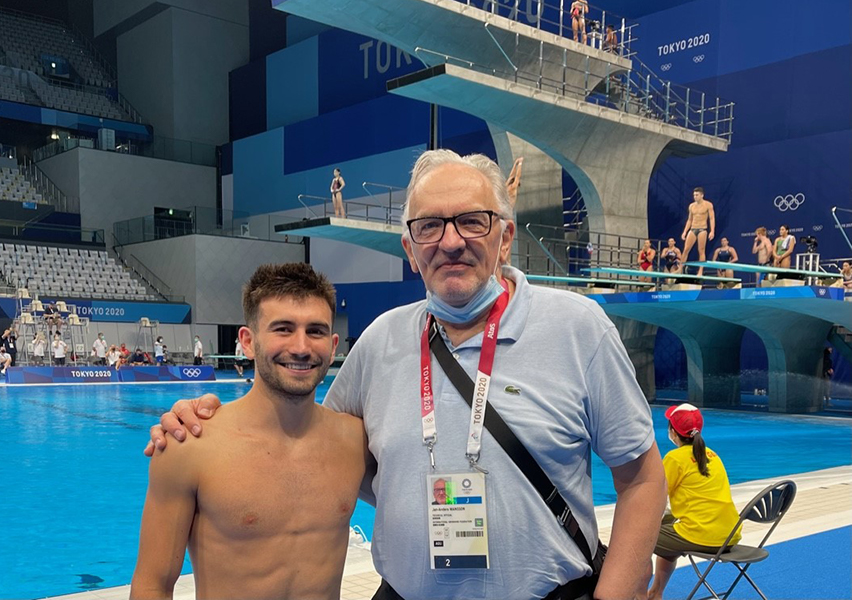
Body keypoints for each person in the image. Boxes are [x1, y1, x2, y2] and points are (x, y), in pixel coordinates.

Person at [147, 150, 667, 600]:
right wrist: (202, 418)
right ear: (410, 251)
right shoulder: (381, 341)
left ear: (505, 237)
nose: (450, 241)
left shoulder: (578, 328)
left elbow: (643, 478)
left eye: (472, 221)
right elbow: (311, 440)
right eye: (429, 227)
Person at [130, 263, 368, 600]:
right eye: (283, 329)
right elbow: (152, 585)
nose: (301, 347)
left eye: (315, 331)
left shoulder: (356, 441)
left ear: (332, 346)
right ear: (248, 341)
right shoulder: (190, 446)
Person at [643, 404, 741, 600]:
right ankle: (655, 593)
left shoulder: (675, 458)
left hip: (702, 536)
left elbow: (654, 497)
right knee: (667, 528)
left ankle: (638, 596)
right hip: (729, 535)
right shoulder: (712, 455)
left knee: (639, 538)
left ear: (672, 432)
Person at [680, 187, 715, 276]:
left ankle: (700, 271)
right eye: (694, 195)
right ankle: (680, 268)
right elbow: (689, 220)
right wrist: (684, 232)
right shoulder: (691, 206)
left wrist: (712, 231)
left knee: (701, 250)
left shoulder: (708, 205)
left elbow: (711, 218)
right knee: (686, 249)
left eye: (697, 195)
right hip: (693, 228)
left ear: (702, 195)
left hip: (702, 229)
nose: (695, 197)